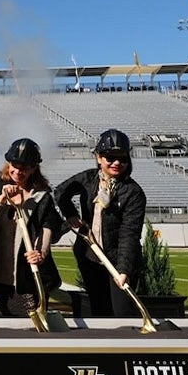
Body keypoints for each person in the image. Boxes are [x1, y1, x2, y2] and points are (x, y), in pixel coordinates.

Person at [55, 129, 147, 317]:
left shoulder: (133, 192)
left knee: (121, 312)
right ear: (99, 157)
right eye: (110, 157)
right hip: (90, 257)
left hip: (117, 260)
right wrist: (71, 215)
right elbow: (60, 192)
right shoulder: (88, 179)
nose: (116, 163)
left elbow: (129, 233)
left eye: (122, 158)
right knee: (99, 310)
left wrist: (123, 269)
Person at [0, 139, 62, 316]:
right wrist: (0, 201)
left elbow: (48, 227)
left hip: (29, 274)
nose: (18, 172)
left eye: (25, 168)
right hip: (1, 273)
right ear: (8, 163)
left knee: (30, 319)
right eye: (15, 165)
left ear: (34, 168)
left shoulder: (41, 195)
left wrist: (40, 252)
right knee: (7, 318)